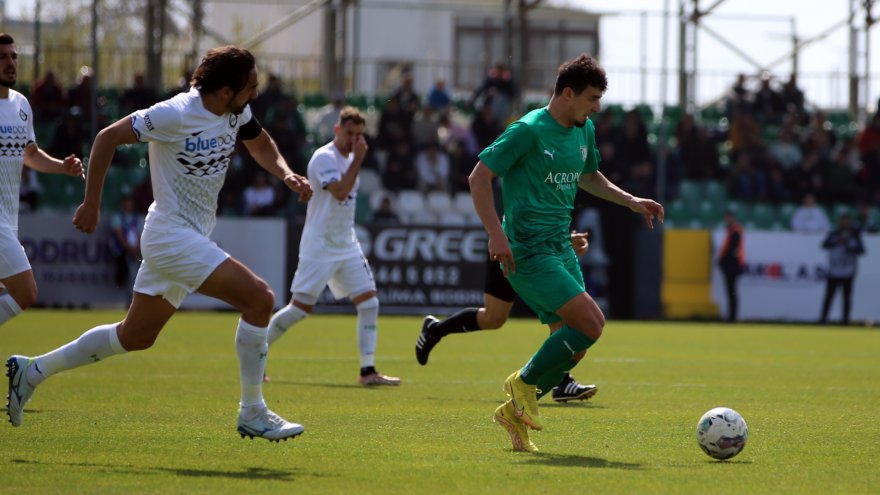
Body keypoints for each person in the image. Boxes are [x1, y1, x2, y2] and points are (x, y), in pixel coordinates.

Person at [5, 45, 313, 443]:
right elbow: (106, 138)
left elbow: (258, 142)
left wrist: (286, 174)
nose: (254, 93)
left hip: (188, 236)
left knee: (135, 336)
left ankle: (31, 370)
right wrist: (92, 203)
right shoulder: (176, 113)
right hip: (170, 236)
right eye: (249, 86)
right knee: (259, 299)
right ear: (224, 90)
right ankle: (252, 411)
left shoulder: (236, 110)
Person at [468, 54, 663, 452]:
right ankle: (521, 383)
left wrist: (630, 200)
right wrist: (495, 234)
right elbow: (479, 176)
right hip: (525, 251)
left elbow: (588, 175)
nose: (596, 108)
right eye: (592, 99)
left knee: (573, 345)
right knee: (593, 322)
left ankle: (513, 415)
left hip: (560, 246)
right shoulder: (527, 130)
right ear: (568, 93)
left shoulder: (583, 129)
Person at [266, 106, 400, 387]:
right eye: (349, 133)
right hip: (320, 244)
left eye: (359, 135)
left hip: (345, 243)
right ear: (337, 130)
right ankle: (256, 349)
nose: (354, 139)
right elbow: (339, 192)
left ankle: (367, 371)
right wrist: (359, 159)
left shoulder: (351, 159)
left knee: (369, 302)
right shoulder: (324, 158)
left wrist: (356, 159)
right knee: (300, 309)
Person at [416, 231, 599, 404]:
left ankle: (561, 381)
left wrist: (565, 239)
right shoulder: (519, 199)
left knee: (565, 323)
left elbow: (549, 216)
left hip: (541, 256)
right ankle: (435, 330)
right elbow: (520, 215)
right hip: (511, 249)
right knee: (493, 318)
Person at [0, 33, 84, 329]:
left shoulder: (21, 105)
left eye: (13, 56)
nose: (10, 63)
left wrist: (63, 167)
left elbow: (30, 154)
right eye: (2, 58)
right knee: (26, 292)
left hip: (9, 219)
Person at [819, 213, 865, 325]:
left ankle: (845, 320)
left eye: (846, 220)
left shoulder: (854, 235)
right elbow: (824, 245)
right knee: (829, 297)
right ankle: (823, 319)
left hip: (848, 271)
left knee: (847, 298)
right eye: (842, 220)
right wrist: (837, 241)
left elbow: (861, 250)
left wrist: (848, 245)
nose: (844, 223)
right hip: (834, 270)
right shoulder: (834, 234)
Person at [717, 210, 745, 323]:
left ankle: (732, 317)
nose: (726, 220)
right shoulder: (733, 230)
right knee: (731, 291)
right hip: (732, 264)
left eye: (728, 218)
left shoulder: (735, 231)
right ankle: (731, 316)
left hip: (732, 265)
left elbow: (732, 250)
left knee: (732, 291)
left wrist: (722, 261)